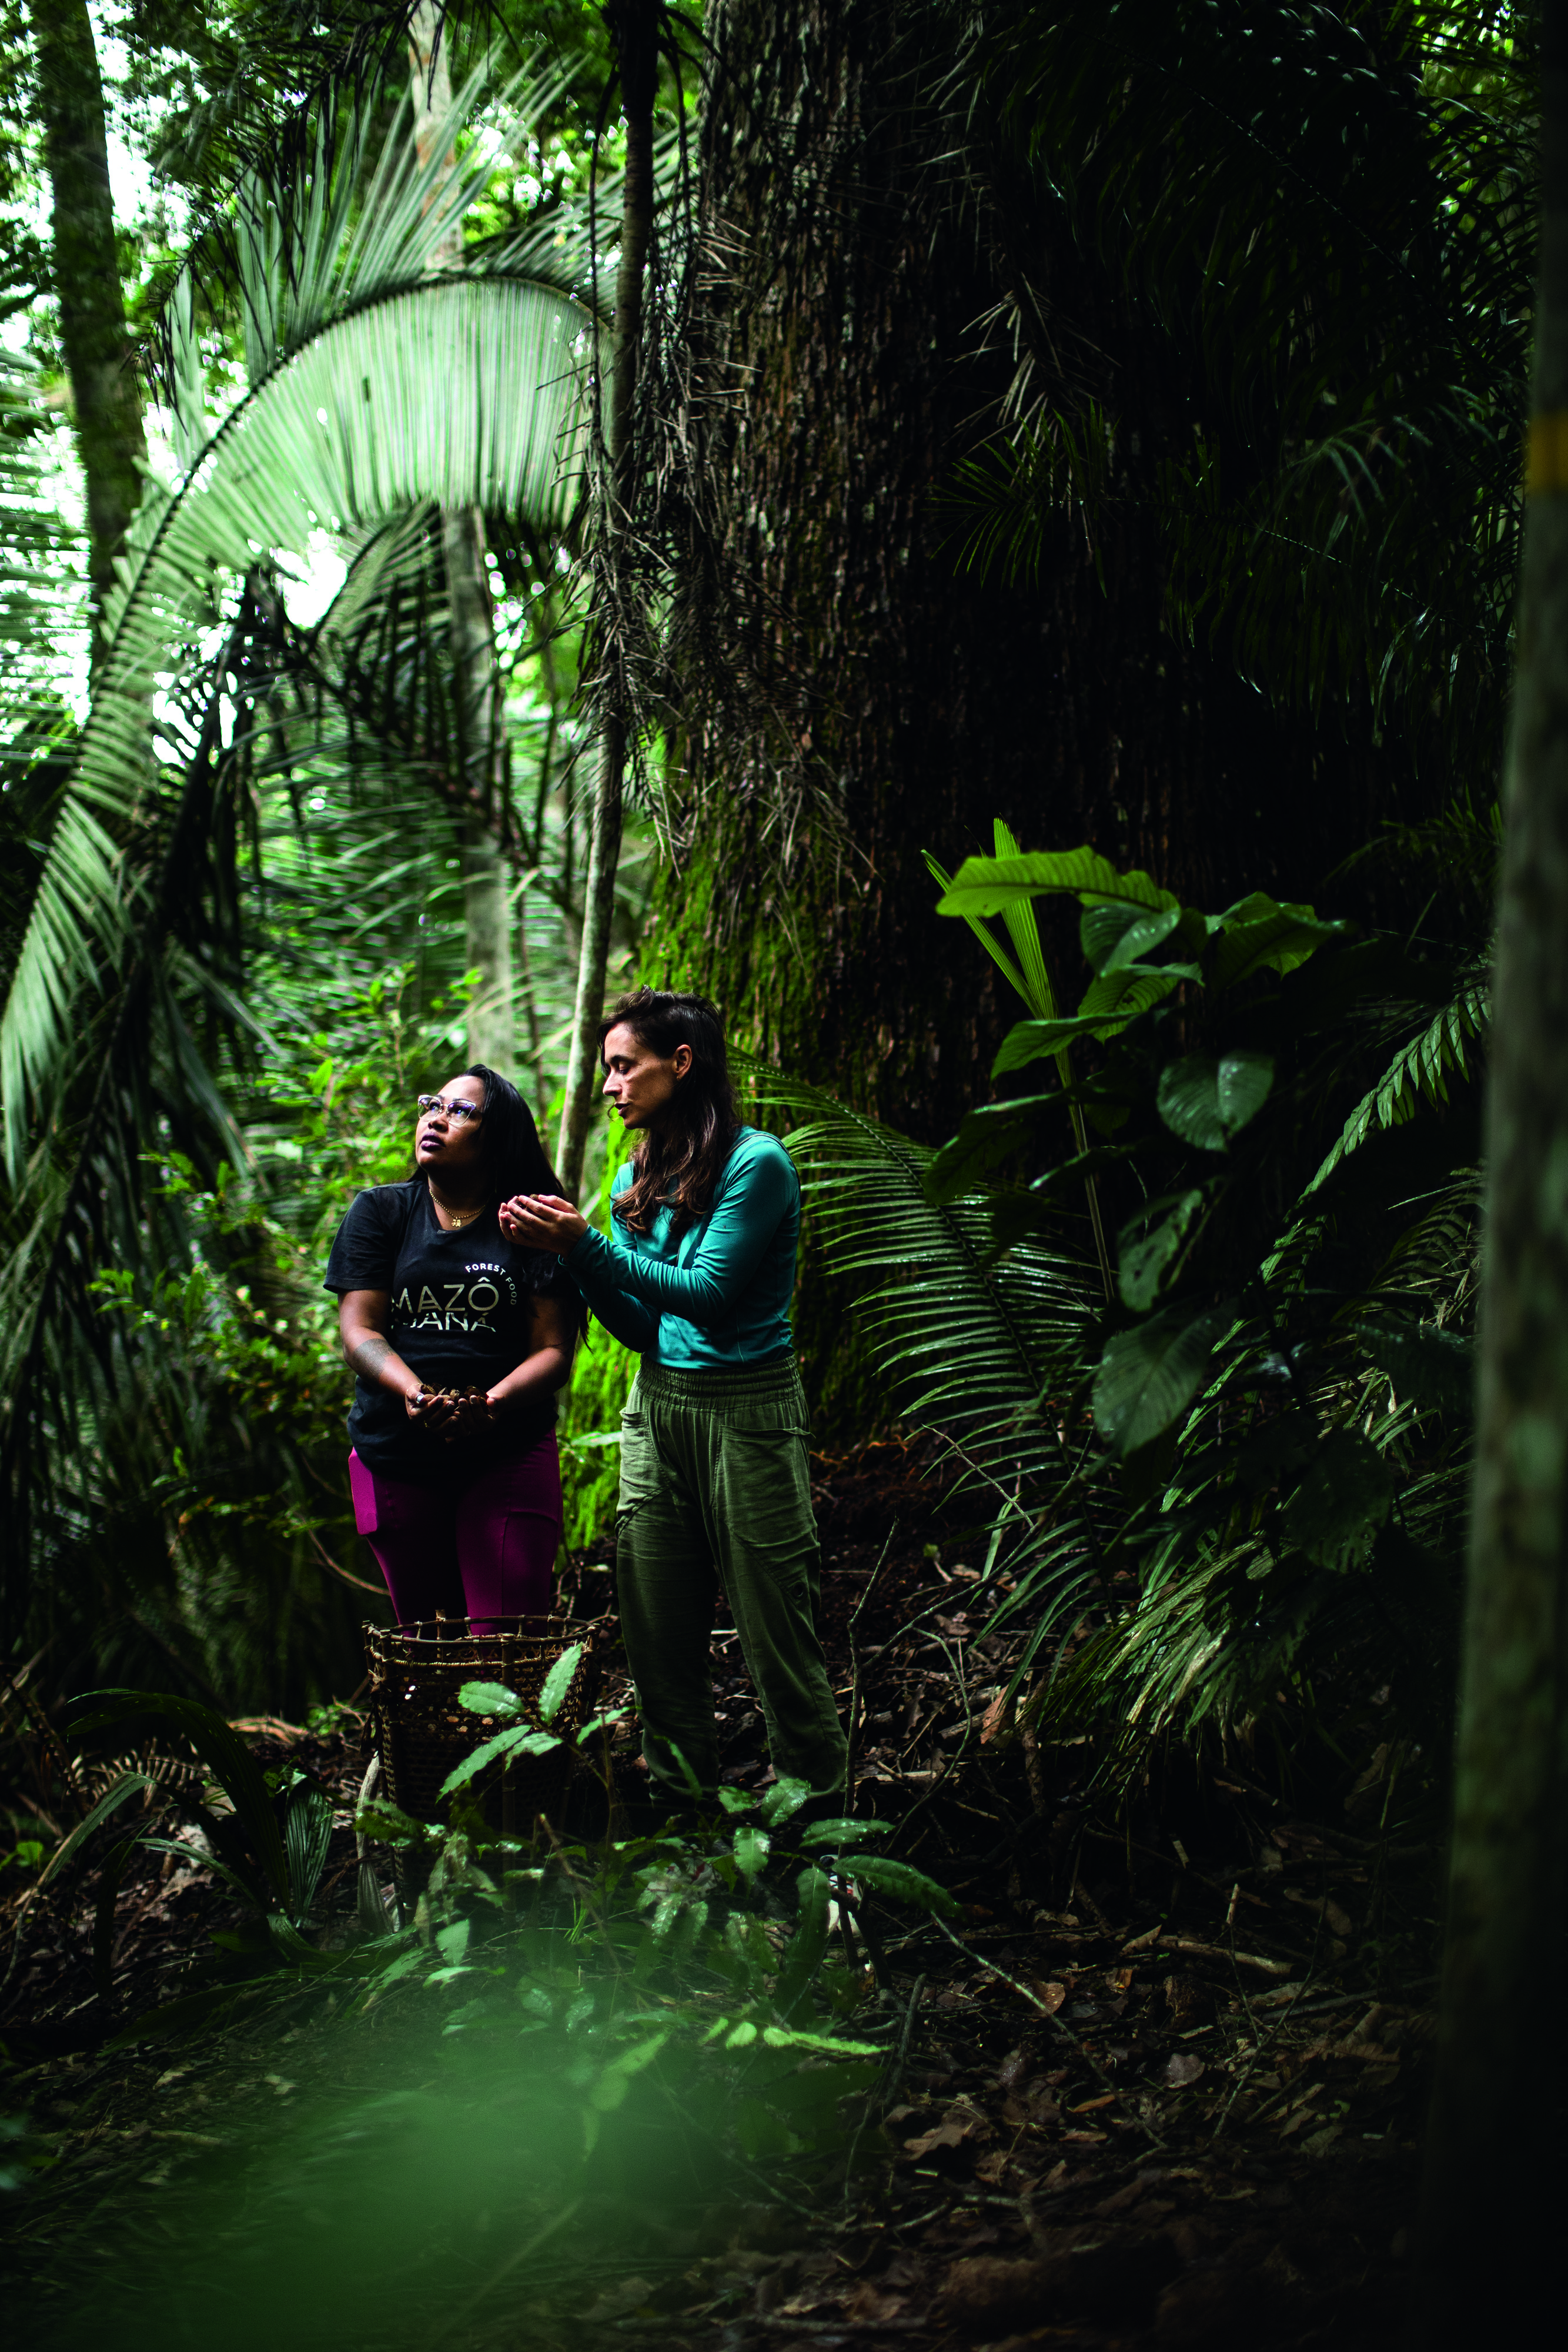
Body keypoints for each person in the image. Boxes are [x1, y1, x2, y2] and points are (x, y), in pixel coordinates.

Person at [499, 988, 847, 1810]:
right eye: (607, 1068)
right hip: (656, 1411)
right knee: (657, 1640)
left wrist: (585, 1242)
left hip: (748, 1413)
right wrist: (576, 1261)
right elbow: (647, 1328)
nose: (610, 1084)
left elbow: (710, 1294)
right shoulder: (631, 1178)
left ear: (680, 1064)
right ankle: (691, 1837)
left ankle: (821, 1839)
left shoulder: (756, 1163)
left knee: (776, 1639)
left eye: (625, 1066)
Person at [325, 1065, 579, 1629]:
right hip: (395, 1454)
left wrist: (491, 1404)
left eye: (460, 1111)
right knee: (424, 1638)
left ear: (499, 1135)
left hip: (506, 1451)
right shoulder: (381, 1212)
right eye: (430, 1105)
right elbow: (359, 1331)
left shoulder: (532, 1220)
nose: (435, 1119)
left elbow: (554, 1348)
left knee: (506, 1638)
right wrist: (415, 1394)